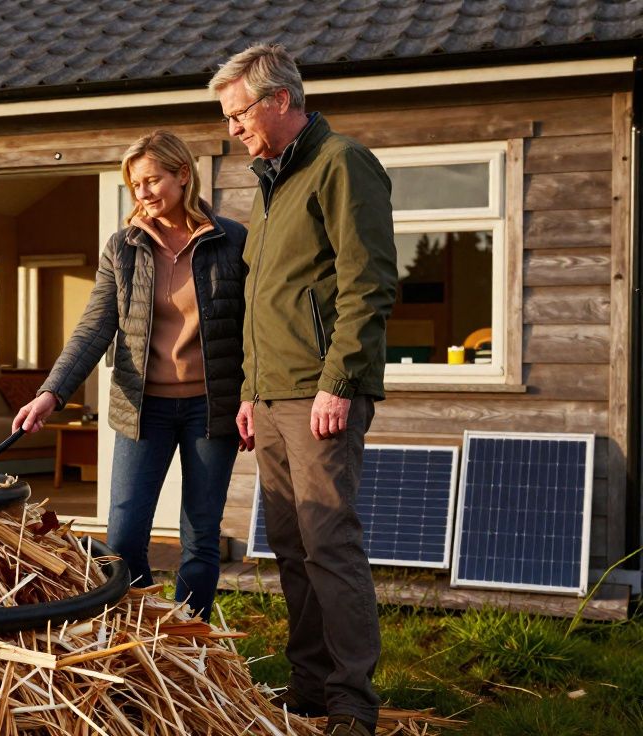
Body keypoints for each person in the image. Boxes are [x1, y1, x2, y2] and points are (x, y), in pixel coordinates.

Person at [210, 45, 397, 736]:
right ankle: (311, 685)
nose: (232, 129)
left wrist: (339, 383)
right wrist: (249, 393)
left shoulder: (341, 164)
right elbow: (271, 300)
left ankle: (352, 701)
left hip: (320, 394)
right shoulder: (272, 184)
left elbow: (368, 283)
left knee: (329, 544)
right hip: (272, 396)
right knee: (290, 547)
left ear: (280, 101)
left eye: (238, 114)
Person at [11, 130, 248, 619]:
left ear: (183, 174)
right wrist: (50, 393)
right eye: (134, 184)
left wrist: (255, 398)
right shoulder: (123, 248)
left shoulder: (232, 241)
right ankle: (139, 633)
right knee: (123, 533)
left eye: (152, 181)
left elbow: (257, 329)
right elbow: (94, 327)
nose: (142, 194)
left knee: (201, 535)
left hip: (212, 407)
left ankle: (192, 638)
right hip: (142, 408)